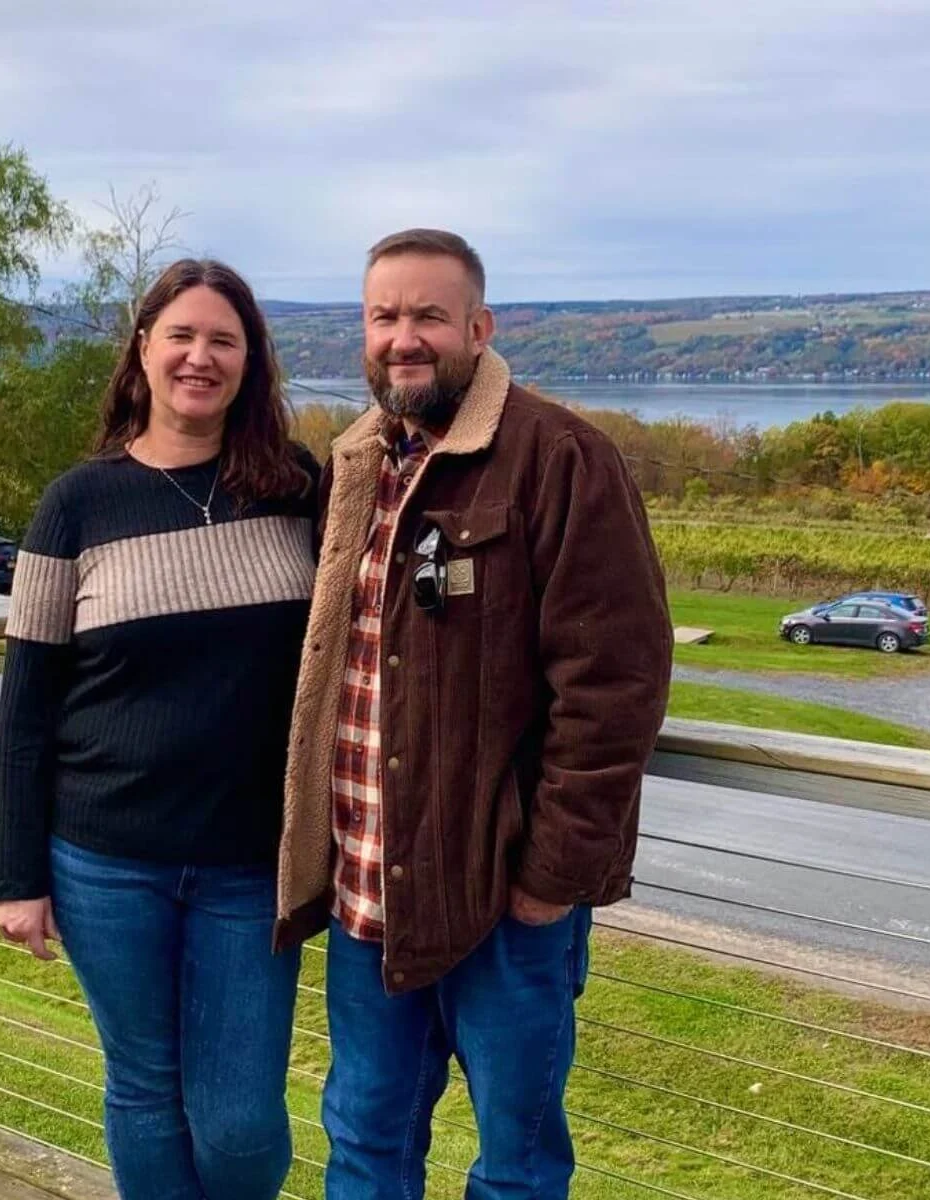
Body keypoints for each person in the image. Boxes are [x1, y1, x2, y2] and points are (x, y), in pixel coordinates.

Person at [275, 229, 672, 1200]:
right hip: (369, 896)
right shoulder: (355, 469)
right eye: (383, 316)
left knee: (518, 1166)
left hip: (506, 903)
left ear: (478, 327)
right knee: (365, 1144)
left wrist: (551, 879)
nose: (403, 337)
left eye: (427, 316)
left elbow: (615, 685)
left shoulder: (560, 459)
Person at [0, 258, 318, 1200]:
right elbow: (26, 710)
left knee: (240, 1117)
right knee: (143, 1088)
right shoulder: (76, 504)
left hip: (251, 862)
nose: (200, 357)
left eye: (224, 340)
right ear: (143, 351)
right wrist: (17, 877)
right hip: (104, 861)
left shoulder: (295, 488)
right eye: (181, 336)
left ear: (251, 362)